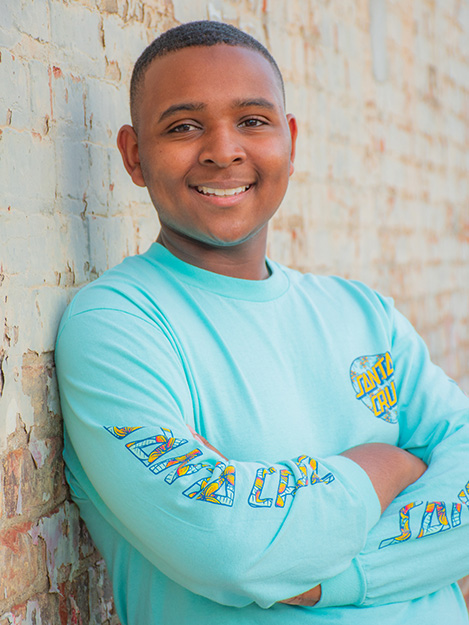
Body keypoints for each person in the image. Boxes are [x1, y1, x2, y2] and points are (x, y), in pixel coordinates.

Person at [55, 20, 469, 625]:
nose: (223, 149)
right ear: (134, 155)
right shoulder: (118, 325)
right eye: (184, 126)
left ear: (290, 142)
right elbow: (229, 545)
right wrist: (385, 465)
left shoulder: (363, 315)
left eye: (252, 120)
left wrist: (331, 575)